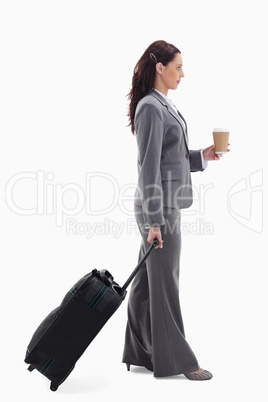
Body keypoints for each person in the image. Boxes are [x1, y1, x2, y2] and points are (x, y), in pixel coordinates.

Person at [122, 40, 229, 380]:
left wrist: (202, 157)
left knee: (145, 283)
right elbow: (148, 168)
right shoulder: (151, 107)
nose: (182, 73)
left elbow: (170, 156)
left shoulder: (160, 104)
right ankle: (178, 361)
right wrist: (155, 222)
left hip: (162, 206)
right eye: (178, 66)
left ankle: (140, 351)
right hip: (160, 210)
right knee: (165, 282)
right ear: (160, 68)